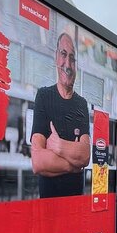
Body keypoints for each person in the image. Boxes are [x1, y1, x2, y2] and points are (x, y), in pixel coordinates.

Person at [31, 31, 90, 198]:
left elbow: (85, 155)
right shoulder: (44, 96)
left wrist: (58, 146)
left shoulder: (81, 104)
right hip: (50, 205)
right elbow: (38, 161)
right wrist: (73, 164)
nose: (68, 64)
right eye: (64, 54)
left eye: (72, 58)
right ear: (56, 57)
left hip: (75, 206)